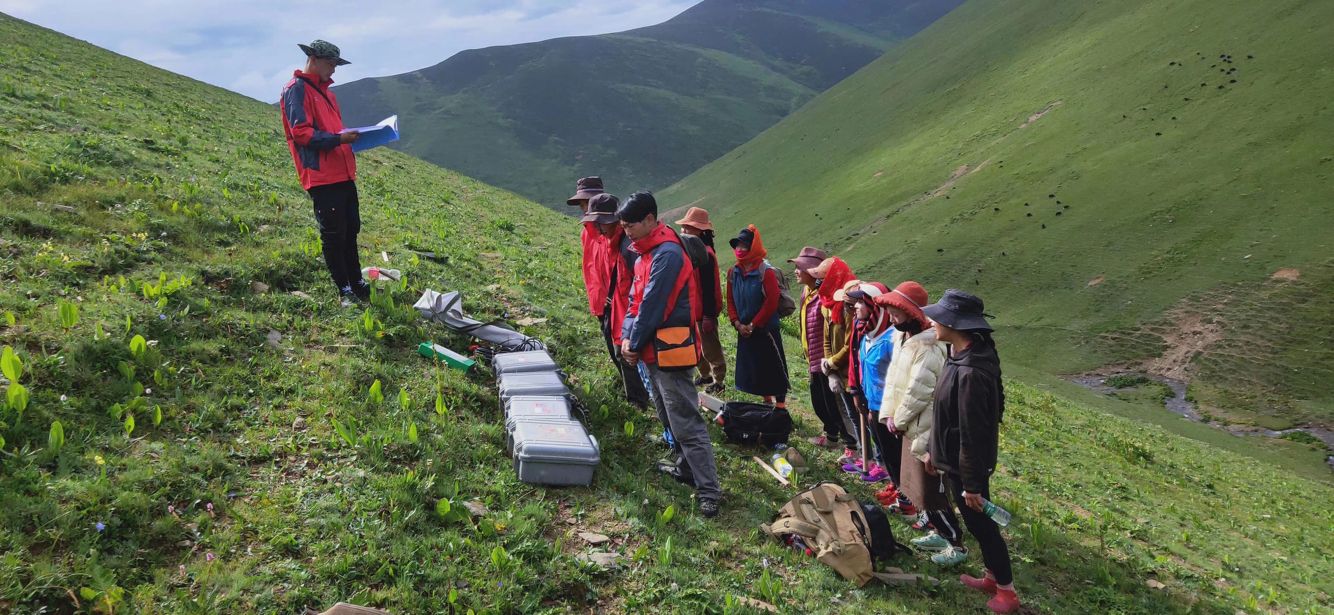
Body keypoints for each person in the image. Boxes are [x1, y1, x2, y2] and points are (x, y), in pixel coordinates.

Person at [617, 192, 722, 518]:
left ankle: (709, 491)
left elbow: (654, 305)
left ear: (650, 219)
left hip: (670, 352)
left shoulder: (668, 255)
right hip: (651, 351)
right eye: (623, 226)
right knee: (667, 415)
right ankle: (686, 468)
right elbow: (634, 301)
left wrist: (633, 342)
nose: (626, 232)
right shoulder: (644, 253)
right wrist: (627, 337)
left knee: (686, 421)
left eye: (630, 225)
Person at [923, 289, 1020, 613]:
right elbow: (947, 415)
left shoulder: (971, 372)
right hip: (954, 460)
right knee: (977, 523)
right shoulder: (960, 355)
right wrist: (934, 452)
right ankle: (992, 577)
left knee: (982, 526)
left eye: (938, 318)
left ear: (955, 325)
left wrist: (973, 485)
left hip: (967, 467)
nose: (932, 321)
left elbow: (972, 434)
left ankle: (1007, 592)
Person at [873, 283, 965, 567]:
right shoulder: (905, 339)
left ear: (911, 312)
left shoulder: (929, 346)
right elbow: (895, 383)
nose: (891, 317)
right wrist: (889, 415)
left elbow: (919, 390)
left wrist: (898, 419)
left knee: (932, 489)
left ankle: (955, 542)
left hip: (924, 425)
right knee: (917, 487)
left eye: (896, 311)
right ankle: (938, 530)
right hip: (910, 424)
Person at [280, 40, 366, 307]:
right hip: (322, 176)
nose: (334, 69)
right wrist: (340, 140)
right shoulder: (296, 89)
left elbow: (332, 131)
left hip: (344, 172)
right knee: (334, 234)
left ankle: (357, 282)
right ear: (313, 59)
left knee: (351, 229)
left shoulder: (328, 94)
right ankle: (344, 290)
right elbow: (301, 133)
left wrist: (349, 139)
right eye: (330, 64)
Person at [581, 193, 651, 408]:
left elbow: (641, 285)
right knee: (621, 355)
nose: (599, 227)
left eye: (602, 222)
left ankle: (641, 400)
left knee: (630, 356)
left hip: (630, 312)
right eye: (596, 222)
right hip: (614, 309)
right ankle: (638, 399)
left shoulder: (627, 246)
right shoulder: (607, 241)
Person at [790, 247, 850, 450]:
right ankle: (831, 436)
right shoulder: (806, 292)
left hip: (827, 360)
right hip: (814, 357)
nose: (796, 271)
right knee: (820, 402)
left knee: (834, 405)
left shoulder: (826, 295)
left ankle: (849, 443)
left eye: (800, 268)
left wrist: (830, 362)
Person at [725, 225, 789, 407]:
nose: (739, 249)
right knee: (755, 366)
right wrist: (737, 323)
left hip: (766, 329)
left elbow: (772, 301)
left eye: (744, 246)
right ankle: (766, 400)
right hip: (744, 328)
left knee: (774, 366)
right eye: (737, 246)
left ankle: (780, 406)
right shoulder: (733, 272)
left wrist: (754, 324)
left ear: (753, 247)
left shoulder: (765, 271)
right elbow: (730, 299)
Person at [809, 258, 862, 465]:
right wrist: (830, 368)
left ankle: (867, 456)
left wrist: (831, 363)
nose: (819, 283)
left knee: (858, 416)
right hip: (837, 369)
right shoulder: (828, 303)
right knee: (846, 412)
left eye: (822, 278)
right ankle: (855, 451)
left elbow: (850, 343)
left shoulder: (848, 305)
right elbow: (826, 337)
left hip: (851, 371)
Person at [845, 282, 895, 486]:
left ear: (875, 307)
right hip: (873, 406)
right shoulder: (866, 335)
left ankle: (902, 492)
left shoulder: (891, 340)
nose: (855, 306)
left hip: (889, 411)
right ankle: (895, 485)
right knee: (886, 450)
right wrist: (857, 391)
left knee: (894, 453)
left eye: (861, 302)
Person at [675, 207, 726, 394]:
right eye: (684, 227)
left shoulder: (706, 255)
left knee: (711, 348)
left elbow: (709, 288)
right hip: (692, 309)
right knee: (697, 346)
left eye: (689, 227)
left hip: (703, 310)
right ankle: (705, 375)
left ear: (700, 231)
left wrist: (708, 315)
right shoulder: (692, 251)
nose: (684, 230)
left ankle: (719, 381)